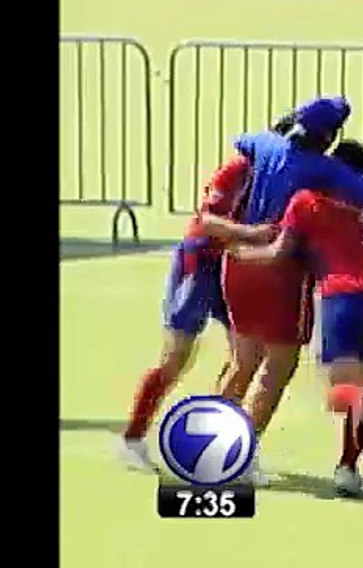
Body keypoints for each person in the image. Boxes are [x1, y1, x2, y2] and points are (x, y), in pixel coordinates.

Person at [219, 96, 363, 485]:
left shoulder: (264, 145)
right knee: (280, 369)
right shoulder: (321, 176)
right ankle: (245, 456)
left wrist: (238, 248)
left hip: (238, 269)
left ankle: (211, 443)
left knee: (242, 364)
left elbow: (242, 141)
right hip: (284, 278)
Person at [117, 113, 294, 472]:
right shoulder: (238, 169)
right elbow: (206, 220)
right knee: (176, 358)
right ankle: (132, 438)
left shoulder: (290, 181)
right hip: (199, 264)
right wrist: (250, 233)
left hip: (237, 268)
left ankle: (225, 446)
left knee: (244, 360)